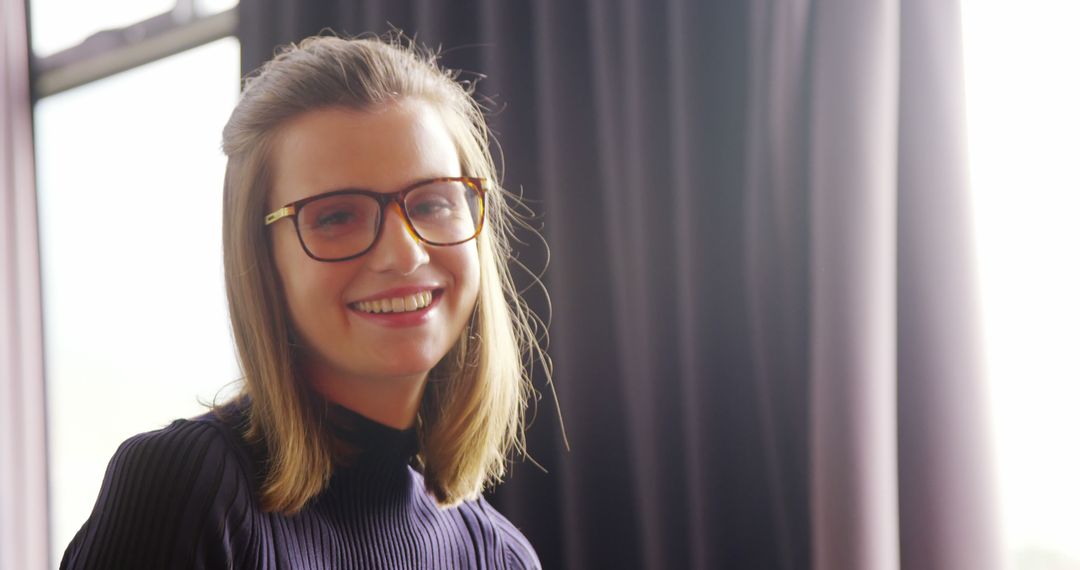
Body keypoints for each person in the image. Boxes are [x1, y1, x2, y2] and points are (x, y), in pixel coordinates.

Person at [61, 34, 546, 569]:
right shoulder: (184, 488)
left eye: (432, 202)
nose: (404, 254)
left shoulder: (502, 556)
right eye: (336, 216)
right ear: (263, 261)